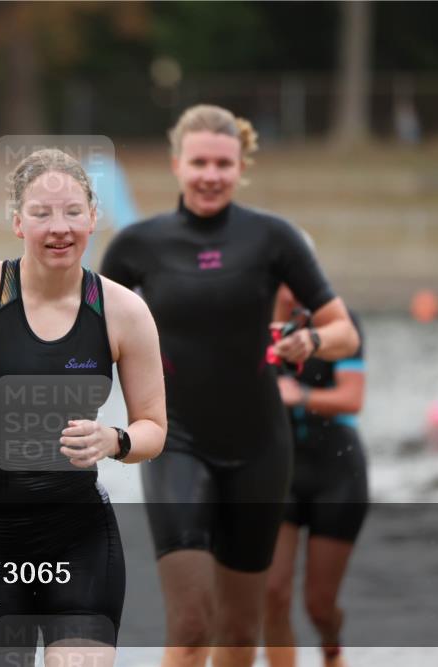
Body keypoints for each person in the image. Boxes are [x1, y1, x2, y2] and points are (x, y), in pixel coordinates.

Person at [100, 104, 360, 667]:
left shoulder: (274, 238)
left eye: (223, 163)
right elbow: (87, 335)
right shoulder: (137, 247)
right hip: (177, 443)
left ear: (241, 167)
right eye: (199, 162)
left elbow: (343, 332)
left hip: (260, 451)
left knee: (241, 631)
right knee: (193, 622)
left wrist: (310, 342)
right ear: (176, 164)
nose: (211, 174)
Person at [0, 148, 167, 667]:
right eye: (41, 214)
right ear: (18, 222)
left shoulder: (124, 312)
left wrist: (116, 441)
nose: (59, 227)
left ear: (93, 217)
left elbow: (154, 426)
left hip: (78, 539)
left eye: (72, 212)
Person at [264, 284, 368, 667]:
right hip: (280, 473)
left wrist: (301, 396)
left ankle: (332, 647)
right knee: (272, 593)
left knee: (319, 606)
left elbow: (353, 398)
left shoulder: (338, 324)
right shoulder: (256, 324)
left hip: (336, 474)